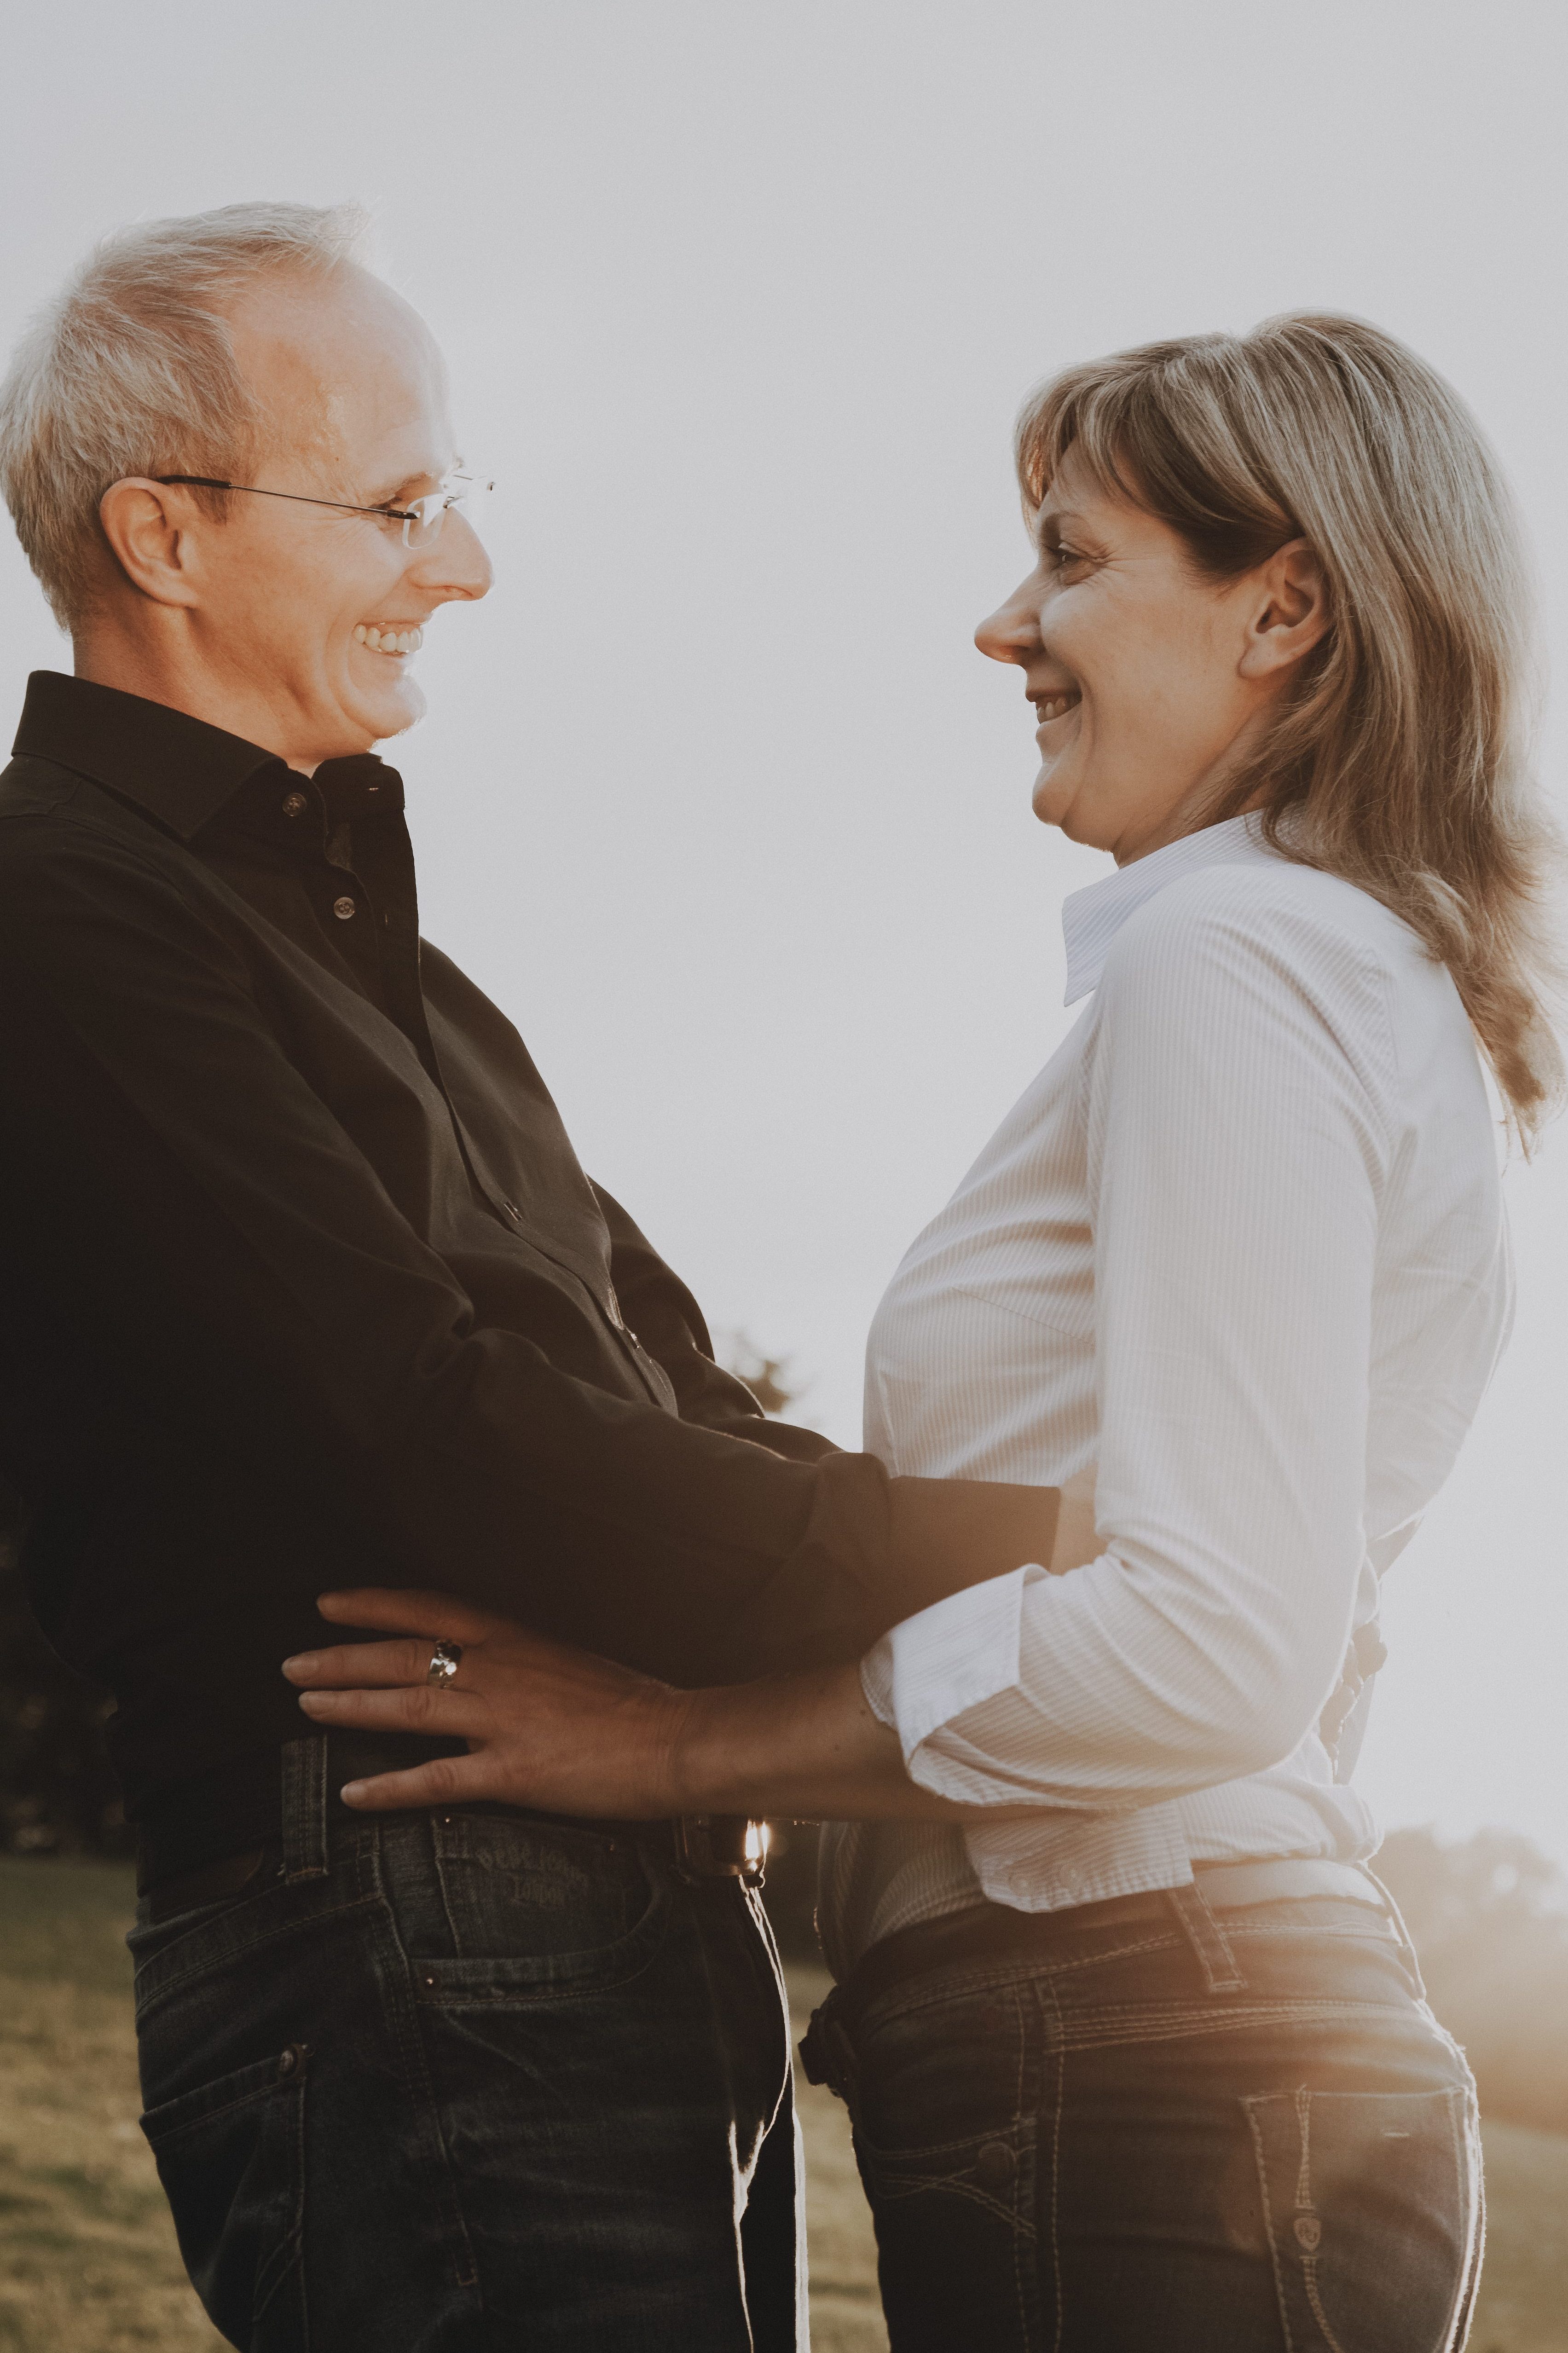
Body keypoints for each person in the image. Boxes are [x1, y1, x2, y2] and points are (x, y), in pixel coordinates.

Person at [289, 315, 1562, 2350]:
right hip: (1200, 2040)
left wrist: (686, 1744)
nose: (1004, 627)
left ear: (1287, 609)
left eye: (1070, 560)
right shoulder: (1359, 972)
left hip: (1151, 2043)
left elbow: (1223, 1635)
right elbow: (1312, 1620)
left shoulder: (1235, 962)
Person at [0, 201, 1060, 2353]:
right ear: (165, 535)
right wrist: (1044, 1553)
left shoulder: (421, 990)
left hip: (616, 1908)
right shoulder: (60, 912)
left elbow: (662, 1403)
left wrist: (1100, 1575)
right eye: (402, 504)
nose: (463, 567)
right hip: (397, 1896)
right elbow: (427, 1420)